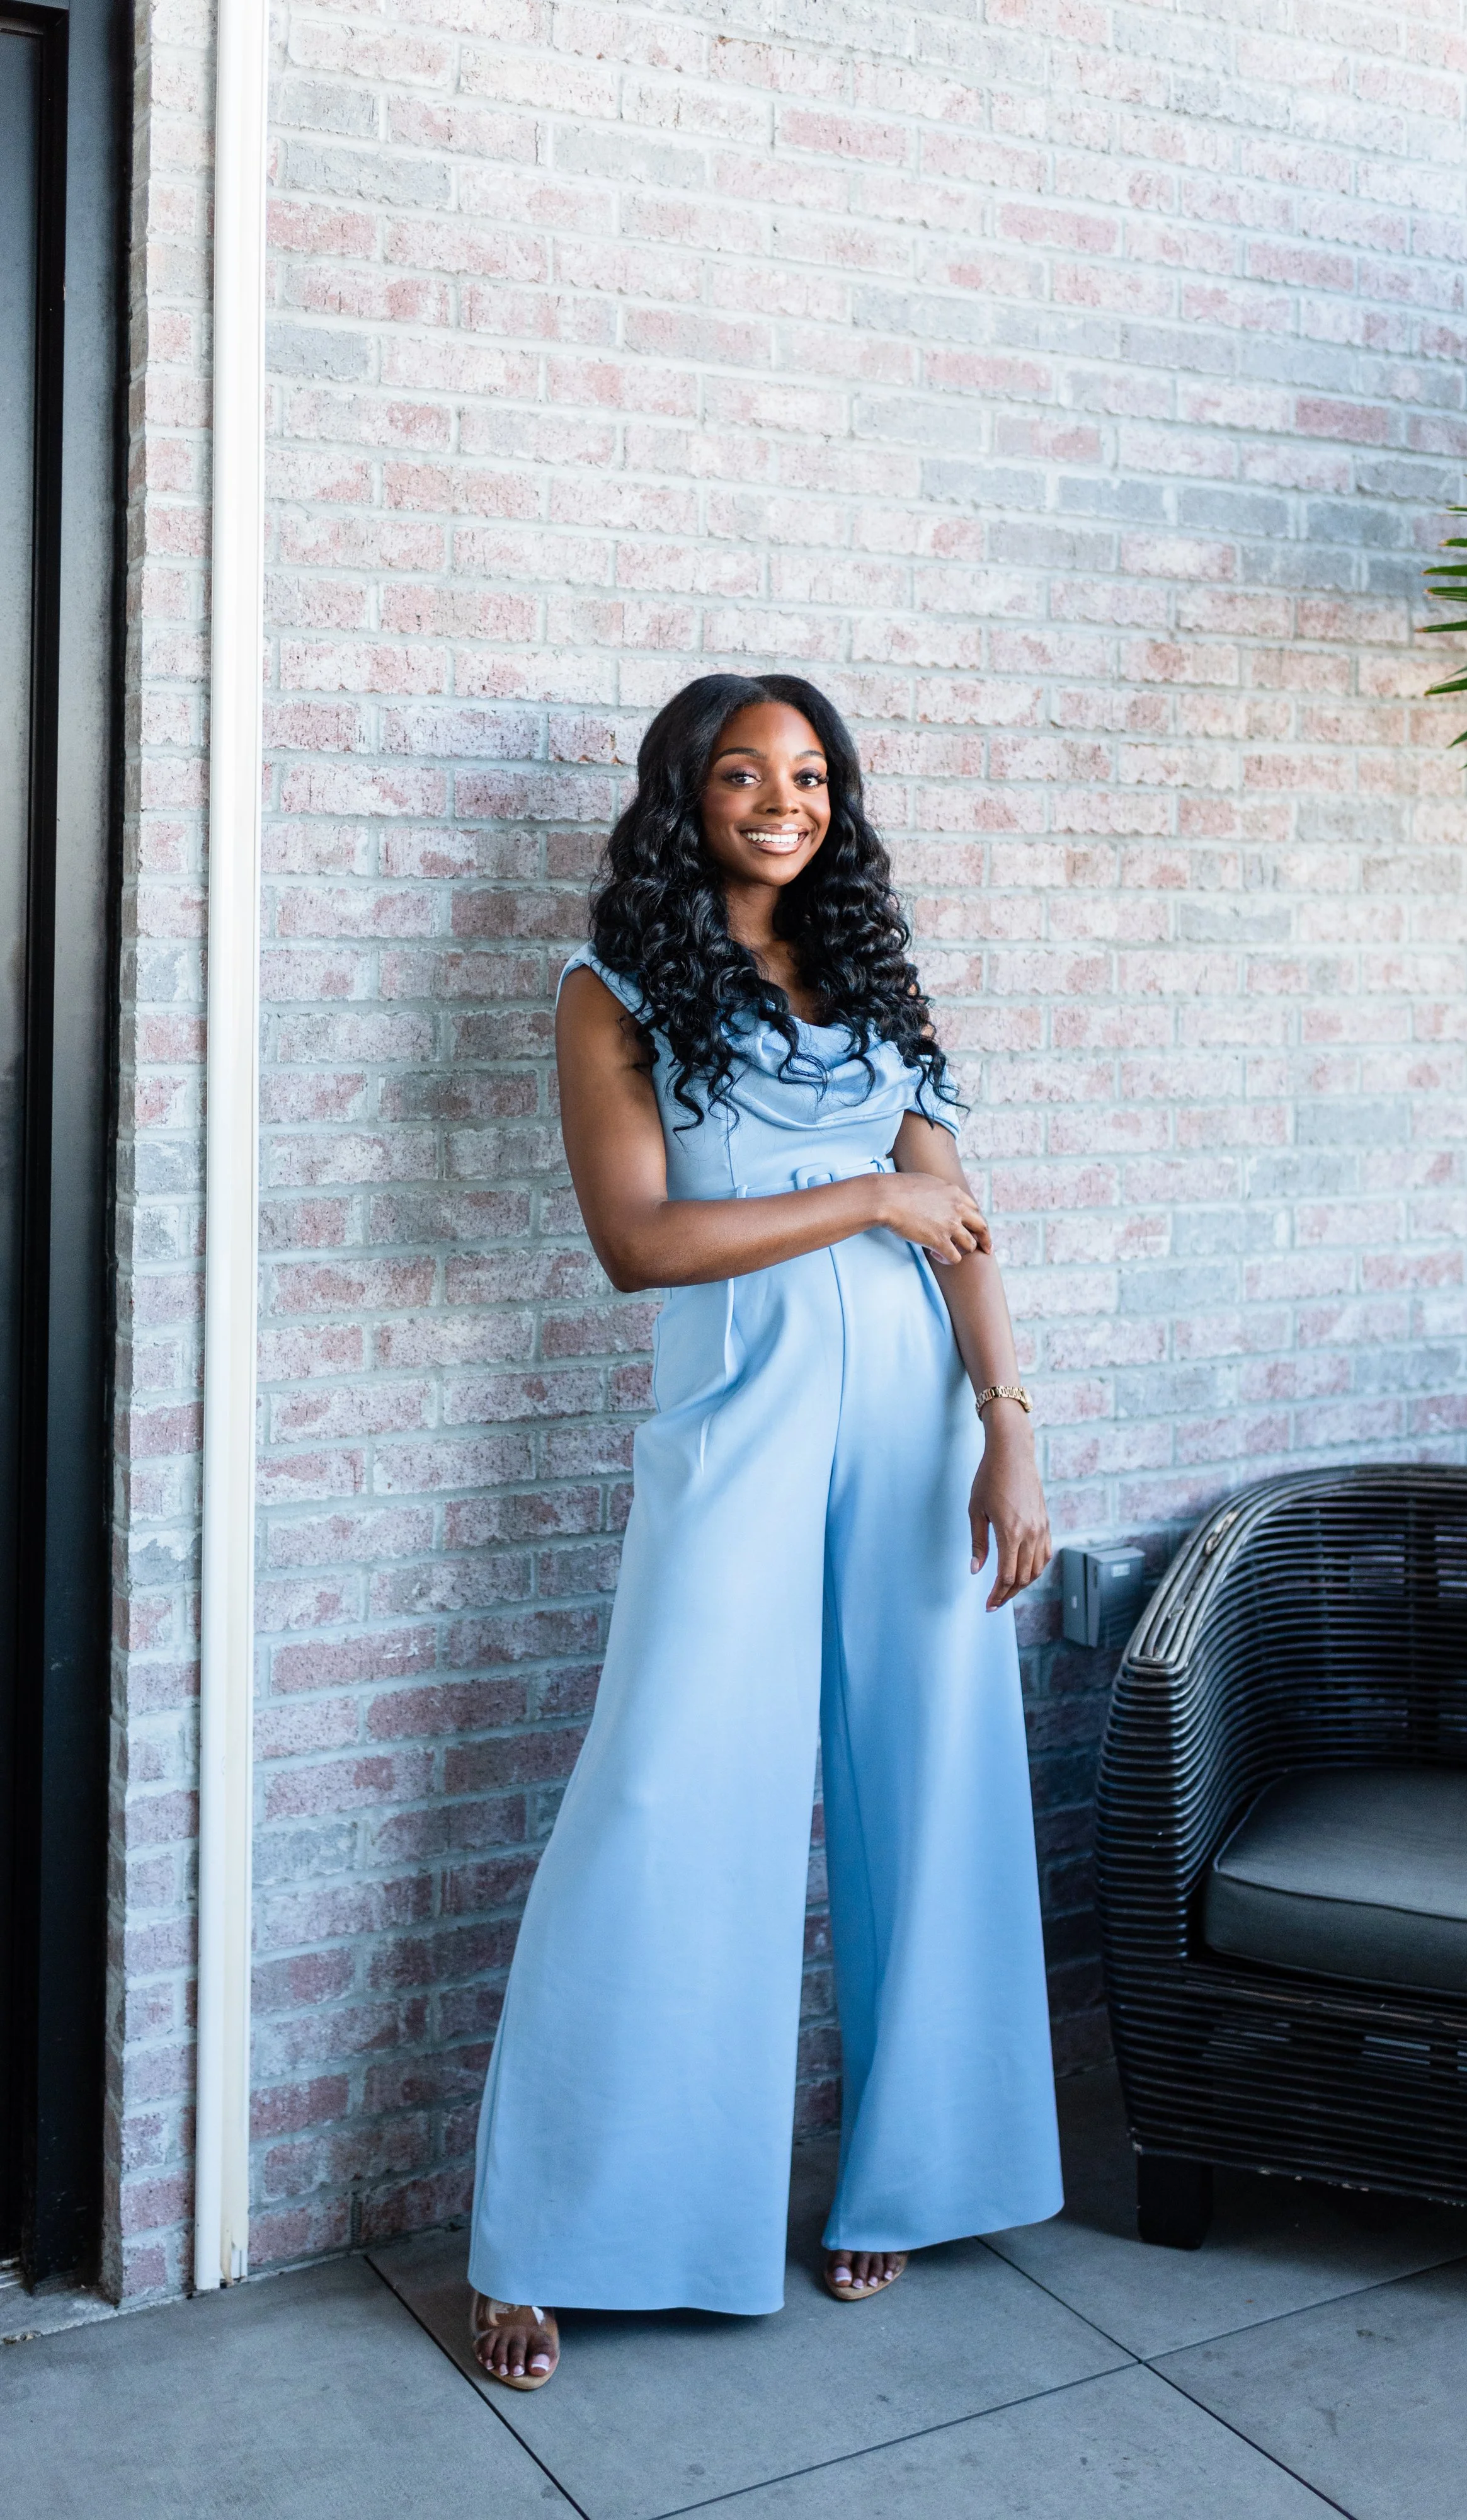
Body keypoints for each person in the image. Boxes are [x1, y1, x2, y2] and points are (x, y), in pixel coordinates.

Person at [467, 673, 1062, 2387]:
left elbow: (965, 1226)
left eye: (809, 775)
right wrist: (871, 1193)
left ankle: (915, 2177)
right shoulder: (612, 989)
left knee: (934, 1777)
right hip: (739, 1414)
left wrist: (1009, 1434)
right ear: (689, 794)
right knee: (671, 1787)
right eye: (745, 773)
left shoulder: (872, 976)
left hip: (914, 1417)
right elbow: (640, 1245)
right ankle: (564, 2231)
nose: (783, 802)